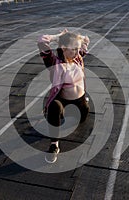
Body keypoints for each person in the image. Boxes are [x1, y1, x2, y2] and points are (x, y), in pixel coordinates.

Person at [37, 29, 90, 163]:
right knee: (54, 107)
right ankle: (54, 144)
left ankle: (73, 110)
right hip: (63, 99)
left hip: (80, 99)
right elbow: (41, 41)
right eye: (73, 49)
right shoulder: (54, 62)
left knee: (81, 119)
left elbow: (86, 40)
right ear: (64, 49)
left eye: (78, 49)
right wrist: (57, 37)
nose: (78, 52)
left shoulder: (78, 57)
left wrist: (77, 38)